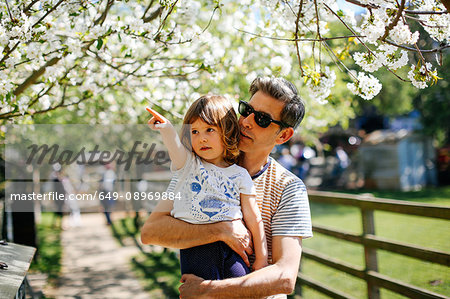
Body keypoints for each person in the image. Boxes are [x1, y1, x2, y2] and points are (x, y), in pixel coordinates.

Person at [141, 77, 312, 298]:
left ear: (284, 135)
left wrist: (208, 291)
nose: (246, 121)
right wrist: (221, 230)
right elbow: (151, 232)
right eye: (246, 109)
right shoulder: (197, 169)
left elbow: (285, 277)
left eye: (261, 119)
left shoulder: (288, 188)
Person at [146, 95, 268, 280]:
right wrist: (167, 130)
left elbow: (253, 216)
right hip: (197, 248)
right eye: (194, 132)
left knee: (240, 291)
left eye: (209, 129)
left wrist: (262, 258)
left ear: (227, 131)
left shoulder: (240, 174)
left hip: (234, 249)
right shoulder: (189, 165)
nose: (201, 138)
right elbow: (176, 149)